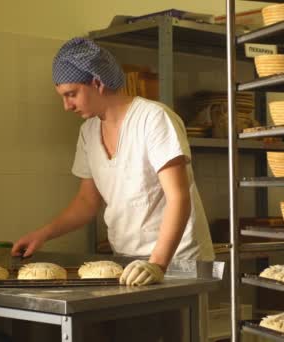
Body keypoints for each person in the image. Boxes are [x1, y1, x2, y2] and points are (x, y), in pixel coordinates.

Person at [12, 37, 215, 286]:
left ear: (97, 82)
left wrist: (157, 264)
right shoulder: (88, 132)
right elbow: (87, 202)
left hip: (177, 262)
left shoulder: (153, 119)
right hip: (129, 264)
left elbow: (178, 197)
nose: (67, 106)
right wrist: (42, 235)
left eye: (71, 94)